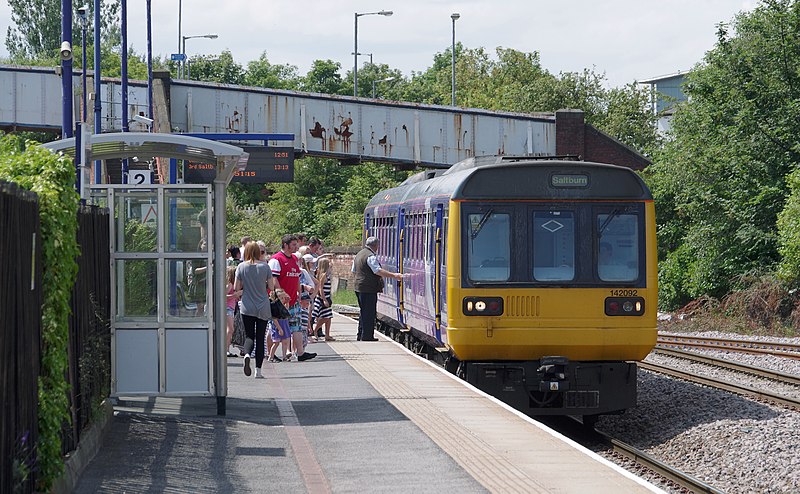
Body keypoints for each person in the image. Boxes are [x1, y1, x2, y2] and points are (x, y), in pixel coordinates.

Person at [269, 234, 317, 361]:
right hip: (278, 301)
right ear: (285, 245)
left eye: (297, 244)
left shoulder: (294, 259)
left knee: (296, 326)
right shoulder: (276, 260)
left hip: (293, 300)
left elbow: (296, 277)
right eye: (294, 244)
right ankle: (270, 354)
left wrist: (298, 293)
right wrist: (280, 294)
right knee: (274, 327)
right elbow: (274, 279)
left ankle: (300, 353)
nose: (296, 246)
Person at [235, 241, 275, 378]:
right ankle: (258, 371)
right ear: (259, 252)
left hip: (247, 305)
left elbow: (236, 287)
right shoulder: (265, 267)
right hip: (263, 306)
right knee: (260, 337)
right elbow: (272, 286)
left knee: (249, 336)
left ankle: (246, 354)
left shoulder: (241, 267)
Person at [352, 236, 403, 341]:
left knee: (363, 311)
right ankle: (367, 336)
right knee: (369, 312)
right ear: (375, 246)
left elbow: (353, 270)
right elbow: (377, 271)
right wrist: (394, 275)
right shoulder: (371, 256)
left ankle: (360, 334)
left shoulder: (359, 254)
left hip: (359, 287)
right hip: (368, 288)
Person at [312, 257, 335, 341]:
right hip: (323, 298)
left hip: (327, 297)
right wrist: (324, 299)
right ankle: (315, 330)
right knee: (325, 317)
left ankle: (327, 335)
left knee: (329, 317)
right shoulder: (323, 275)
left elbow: (331, 267)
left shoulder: (327, 274)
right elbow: (320, 288)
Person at [225, 265, 242, 357]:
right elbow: (223, 295)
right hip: (227, 308)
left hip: (231, 307)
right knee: (230, 329)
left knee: (230, 329)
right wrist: (235, 295)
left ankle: (227, 348)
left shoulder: (232, 285)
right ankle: (226, 349)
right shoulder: (230, 284)